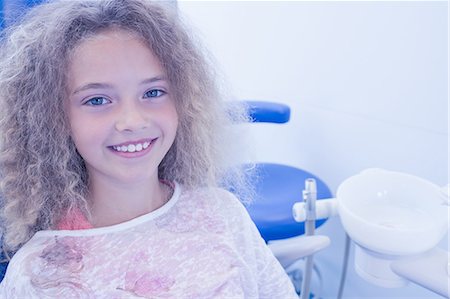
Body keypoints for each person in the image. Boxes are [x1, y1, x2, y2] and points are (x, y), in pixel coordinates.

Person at [0, 0, 298, 298]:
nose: (132, 121)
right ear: (54, 118)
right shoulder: (38, 276)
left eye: (153, 92)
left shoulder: (224, 214)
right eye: (97, 100)